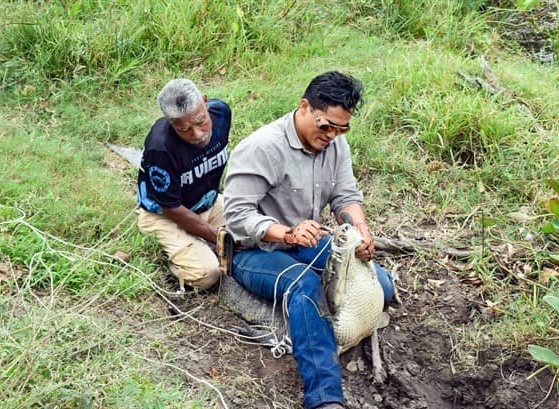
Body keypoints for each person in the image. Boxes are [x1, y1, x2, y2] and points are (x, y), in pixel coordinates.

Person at [224, 71, 395, 409]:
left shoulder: (335, 144)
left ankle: (315, 324)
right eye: (326, 126)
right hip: (255, 251)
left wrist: (360, 232)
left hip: (306, 241)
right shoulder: (262, 148)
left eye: (341, 128)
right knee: (304, 288)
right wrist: (287, 232)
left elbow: (345, 197)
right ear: (304, 107)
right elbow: (237, 216)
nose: (332, 135)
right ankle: (324, 397)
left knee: (382, 286)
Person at [137, 78, 231, 291]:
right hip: (165, 216)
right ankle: (169, 256)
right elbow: (171, 208)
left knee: (257, 228)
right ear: (171, 123)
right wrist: (214, 234)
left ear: (206, 102)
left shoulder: (222, 113)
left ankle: (200, 243)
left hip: (207, 202)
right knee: (207, 274)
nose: (197, 135)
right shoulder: (160, 148)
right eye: (184, 129)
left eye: (200, 122)